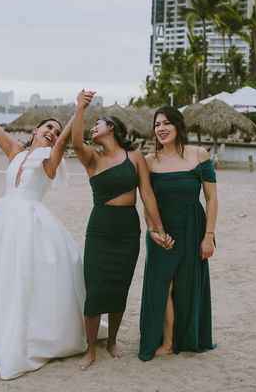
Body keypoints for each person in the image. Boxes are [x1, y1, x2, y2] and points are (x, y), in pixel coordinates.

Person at [0, 84, 86, 380]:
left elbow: (66, 138)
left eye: (55, 131)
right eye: (48, 128)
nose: (52, 132)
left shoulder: (49, 160)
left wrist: (78, 108)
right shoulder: (15, 151)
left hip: (30, 222)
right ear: (35, 130)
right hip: (2, 219)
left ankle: (24, 338)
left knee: (23, 278)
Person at [71, 90, 171, 371]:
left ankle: (111, 341)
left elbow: (147, 195)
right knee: (95, 291)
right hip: (100, 230)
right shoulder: (92, 159)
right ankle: (90, 349)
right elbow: (75, 140)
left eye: (97, 124)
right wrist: (81, 107)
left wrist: (158, 228)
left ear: (111, 128)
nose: (93, 129)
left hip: (128, 232)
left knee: (118, 289)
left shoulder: (135, 157)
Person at [138, 105, 218, 361]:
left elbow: (212, 197)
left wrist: (209, 236)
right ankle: (168, 342)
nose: (160, 129)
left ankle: (181, 338)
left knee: (185, 286)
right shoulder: (150, 161)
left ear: (178, 125)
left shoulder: (200, 155)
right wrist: (152, 231)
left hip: (193, 228)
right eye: (157, 125)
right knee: (162, 285)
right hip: (162, 231)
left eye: (166, 123)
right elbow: (147, 201)